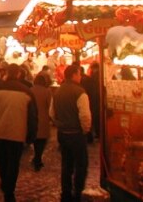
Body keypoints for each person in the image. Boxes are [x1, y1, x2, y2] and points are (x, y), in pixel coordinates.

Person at [0, 63, 37, 202]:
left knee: (2, 160)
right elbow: (32, 116)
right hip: (17, 132)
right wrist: (31, 135)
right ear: (19, 74)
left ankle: (4, 182)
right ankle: (9, 190)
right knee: (13, 162)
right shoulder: (26, 91)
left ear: (6, 73)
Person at [51, 65, 92, 202]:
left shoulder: (58, 91)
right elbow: (85, 115)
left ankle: (66, 192)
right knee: (81, 164)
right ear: (74, 75)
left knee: (66, 164)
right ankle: (77, 192)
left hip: (62, 133)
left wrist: (59, 123)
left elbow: (51, 112)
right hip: (76, 134)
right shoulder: (80, 92)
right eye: (79, 74)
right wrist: (85, 130)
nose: (80, 77)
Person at [31, 73, 52, 171]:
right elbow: (50, 106)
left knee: (35, 140)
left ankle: (36, 158)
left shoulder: (30, 90)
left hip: (33, 118)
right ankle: (38, 159)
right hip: (43, 119)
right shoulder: (47, 92)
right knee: (42, 140)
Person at [81, 62, 101, 142]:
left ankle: (96, 134)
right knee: (96, 117)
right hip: (97, 99)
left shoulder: (93, 77)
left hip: (94, 99)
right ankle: (98, 134)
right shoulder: (99, 75)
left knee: (95, 117)